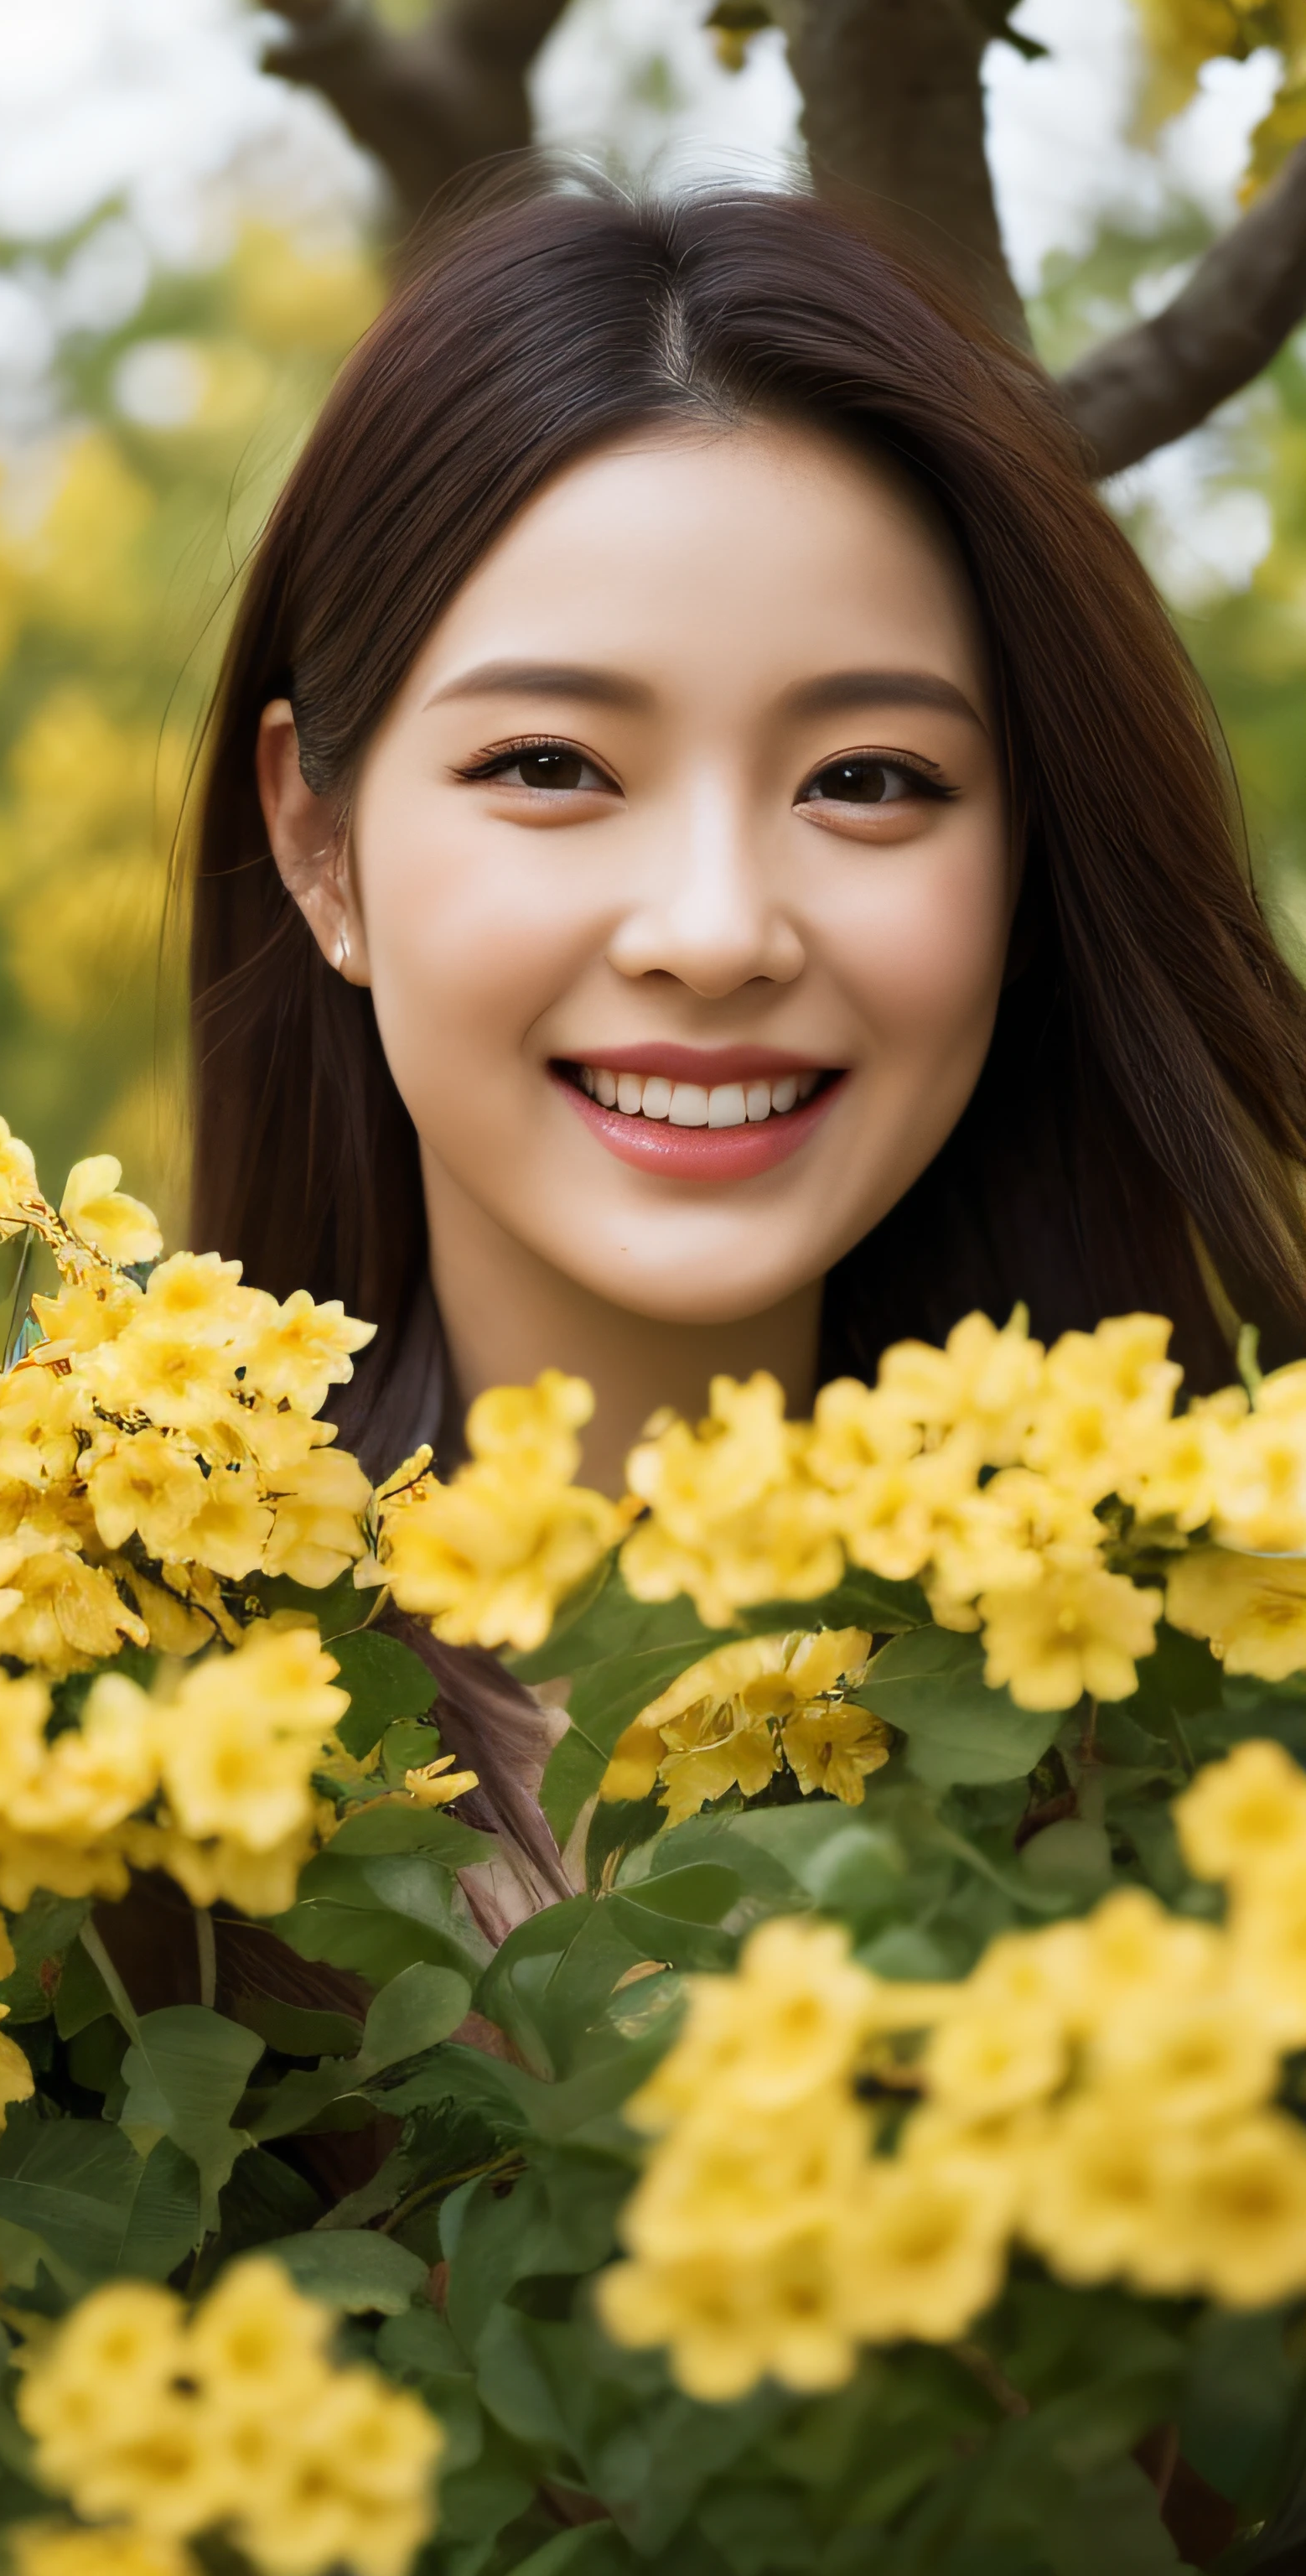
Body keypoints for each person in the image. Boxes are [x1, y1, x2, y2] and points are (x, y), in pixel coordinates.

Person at [184, 178, 1306, 1896]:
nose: (711, 934)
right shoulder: (37, 1735)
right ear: (317, 846)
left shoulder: (1219, 1717)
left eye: (865, 781)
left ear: (1020, 867)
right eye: (548, 765)